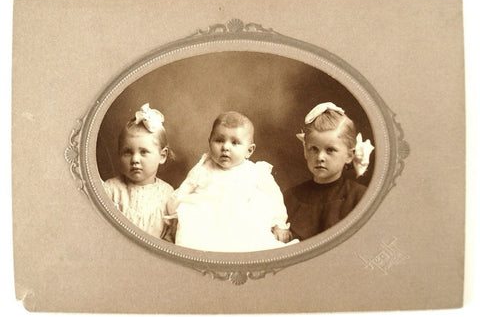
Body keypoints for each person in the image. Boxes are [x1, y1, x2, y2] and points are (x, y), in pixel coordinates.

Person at [167, 111, 296, 252]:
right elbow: (183, 191)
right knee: (192, 218)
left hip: (242, 226)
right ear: (209, 142)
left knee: (259, 210)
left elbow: (274, 197)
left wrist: (279, 224)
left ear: (249, 151)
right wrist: (175, 216)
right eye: (219, 140)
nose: (225, 147)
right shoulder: (202, 169)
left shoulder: (256, 172)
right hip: (207, 225)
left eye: (235, 142)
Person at [283, 102, 374, 241]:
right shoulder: (290, 198)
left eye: (330, 150)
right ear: (305, 151)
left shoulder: (359, 198)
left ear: (349, 155)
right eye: (313, 149)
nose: (320, 157)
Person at [103, 103, 175, 241]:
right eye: (128, 152)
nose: (135, 159)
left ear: (162, 155)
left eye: (144, 152)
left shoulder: (168, 194)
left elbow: (169, 237)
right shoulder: (110, 190)